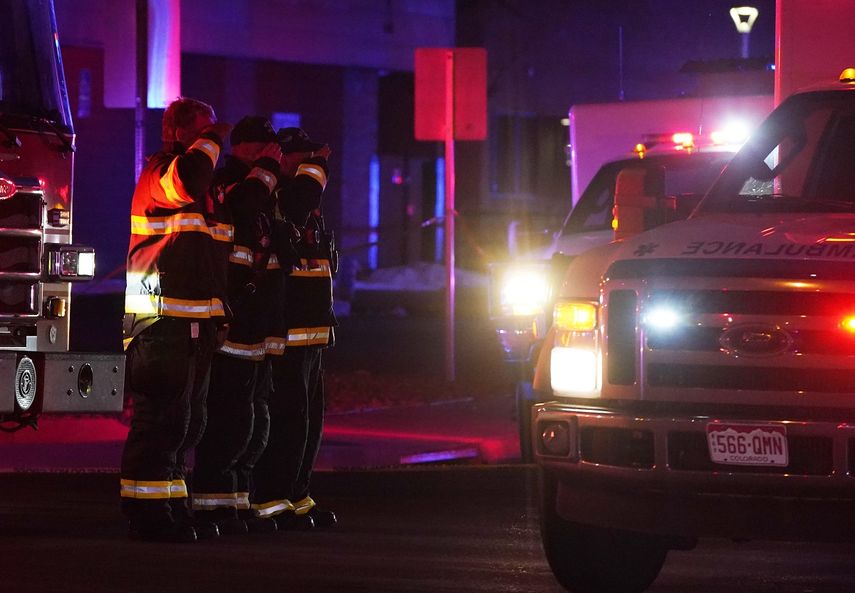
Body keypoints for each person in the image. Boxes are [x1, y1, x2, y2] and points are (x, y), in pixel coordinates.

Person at [120, 97, 232, 543]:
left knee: (187, 421)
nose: (211, 140)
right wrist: (210, 139)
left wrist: (220, 313)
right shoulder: (160, 173)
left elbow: (212, 260)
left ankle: (169, 504)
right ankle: (145, 513)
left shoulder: (203, 194)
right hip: (158, 320)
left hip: (192, 324)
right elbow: (185, 179)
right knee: (161, 419)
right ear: (177, 132)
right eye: (201, 131)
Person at [191, 116, 282, 535]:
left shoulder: (262, 187)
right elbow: (241, 208)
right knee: (227, 413)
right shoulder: (228, 180)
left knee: (251, 417)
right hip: (232, 316)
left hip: (256, 320)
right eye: (263, 148)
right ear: (244, 147)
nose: (271, 155)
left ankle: (236, 497)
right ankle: (211, 500)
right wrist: (264, 173)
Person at [251, 127, 338, 530]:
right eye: (302, 161)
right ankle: (271, 499)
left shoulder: (308, 206)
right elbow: (300, 200)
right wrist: (316, 165)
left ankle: (297, 496)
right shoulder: (283, 200)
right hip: (288, 334)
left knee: (309, 421)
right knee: (287, 419)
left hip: (313, 335)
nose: (313, 169)